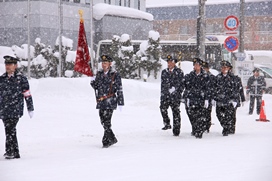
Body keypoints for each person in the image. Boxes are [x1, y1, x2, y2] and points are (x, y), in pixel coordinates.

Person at [0, 55, 34, 159]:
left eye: (10, 64)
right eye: (6, 64)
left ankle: (11, 151)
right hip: (4, 109)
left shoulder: (21, 79)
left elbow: (27, 94)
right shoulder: (2, 79)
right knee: (9, 129)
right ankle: (14, 151)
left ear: (15, 65)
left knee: (10, 128)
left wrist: (30, 108)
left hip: (15, 109)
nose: (8, 66)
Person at [90, 55, 124, 148]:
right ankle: (112, 138)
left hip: (110, 101)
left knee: (107, 121)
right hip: (101, 101)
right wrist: (92, 82)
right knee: (102, 120)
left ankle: (106, 141)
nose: (103, 64)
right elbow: (96, 86)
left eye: (105, 63)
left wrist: (120, 101)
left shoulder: (115, 74)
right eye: (102, 63)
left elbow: (119, 89)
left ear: (110, 64)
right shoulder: (99, 74)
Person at [183, 58, 210, 139]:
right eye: (195, 65)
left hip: (201, 99)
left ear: (200, 66)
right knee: (192, 115)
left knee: (201, 115)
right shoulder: (190, 76)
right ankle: (195, 128)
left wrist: (206, 99)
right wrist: (187, 98)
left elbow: (208, 88)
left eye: (197, 65)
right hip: (192, 98)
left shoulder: (205, 76)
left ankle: (199, 131)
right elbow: (187, 87)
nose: (196, 66)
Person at [160, 55, 184, 136]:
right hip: (166, 95)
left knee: (176, 112)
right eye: (168, 62)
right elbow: (162, 85)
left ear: (174, 63)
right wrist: (163, 95)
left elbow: (181, 85)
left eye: (171, 62)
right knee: (163, 108)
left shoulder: (179, 72)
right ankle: (167, 123)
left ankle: (176, 130)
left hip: (175, 97)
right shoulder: (164, 72)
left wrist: (176, 91)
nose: (169, 64)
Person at [214, 61, 238, 136]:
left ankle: (228, 129)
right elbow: (214, 89)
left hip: (229, 100)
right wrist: (214, 98)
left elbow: (235, 89)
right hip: (220, 100)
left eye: (225, 67)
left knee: (229, 116)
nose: (224, 69)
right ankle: (225, 126)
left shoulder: (233, 78)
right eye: (222, 67)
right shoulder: (218, 77)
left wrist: (235, 99)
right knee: (219, 115)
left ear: (229, 68)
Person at [202, 61, 215, 133]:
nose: (204, 70)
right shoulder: (201, 76)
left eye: (205, 68)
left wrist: (213, 97)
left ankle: (207, 126)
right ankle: (202, 125)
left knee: (208, 112)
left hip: (209, 97)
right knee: (201, 112)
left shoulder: (212, 77)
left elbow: (214, 88)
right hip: (201, 97)